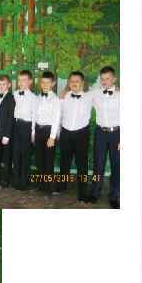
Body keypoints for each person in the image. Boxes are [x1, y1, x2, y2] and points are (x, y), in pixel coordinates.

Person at [88, 65, 121, 208]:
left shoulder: (122, 95)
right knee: (98, 164)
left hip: (117, 133)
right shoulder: (95, 93)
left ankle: (114, 196)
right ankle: (95, 193)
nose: (105, 81)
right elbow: (80, 95)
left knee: (116, 165)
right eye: (102, 79)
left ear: (114, 79)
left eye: (107, 78)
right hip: (100, 132)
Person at [58, 70, 92, 203]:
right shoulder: (63, 97)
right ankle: (61, 186)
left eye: (77, 81)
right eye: (71, 81)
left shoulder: (90, 97)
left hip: (81, 134)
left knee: (82, 165)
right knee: (64, 162)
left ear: (82, 83)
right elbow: (58, 115)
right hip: (65, 133)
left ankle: (83, 192)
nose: (74, 83)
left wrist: (116, 88)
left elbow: (105, 92)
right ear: (68, 83)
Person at [33, 71, 61, 194]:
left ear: (53, 84)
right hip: (38, 130)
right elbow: (35, 116)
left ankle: (48, 187)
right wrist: (33, 132)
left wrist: (52, 137)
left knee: (48, 161)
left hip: (49, 132)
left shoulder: (55, 99)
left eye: (47, 83)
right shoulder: (38, 97)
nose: (45, 85)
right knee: (39, 160)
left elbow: (56, 119)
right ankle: (41, 185)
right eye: (43, 82)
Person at [12, 69, 36, 191]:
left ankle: (24, 182)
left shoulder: (34, 98)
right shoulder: (14, 94)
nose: (21, 82)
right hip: (16, 125)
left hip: (27, 126)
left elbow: (34, 116)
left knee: (25, 155)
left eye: (24, 80)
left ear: (30, 81)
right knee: (16, 153)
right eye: (19, 80)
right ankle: (16, 180)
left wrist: (33, 132)